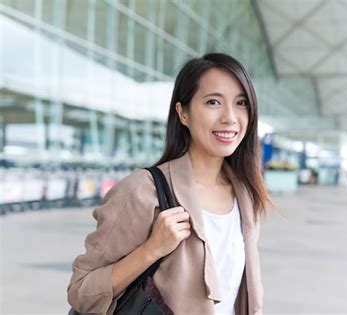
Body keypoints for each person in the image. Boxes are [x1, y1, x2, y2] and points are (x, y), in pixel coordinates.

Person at [67, 53, 272, 315]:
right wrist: (151, 250)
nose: (230, 117)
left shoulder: (246, 196)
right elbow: (81, 291)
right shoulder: (144, 190)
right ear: (183, 113)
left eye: (241, 103)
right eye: (213, 102)